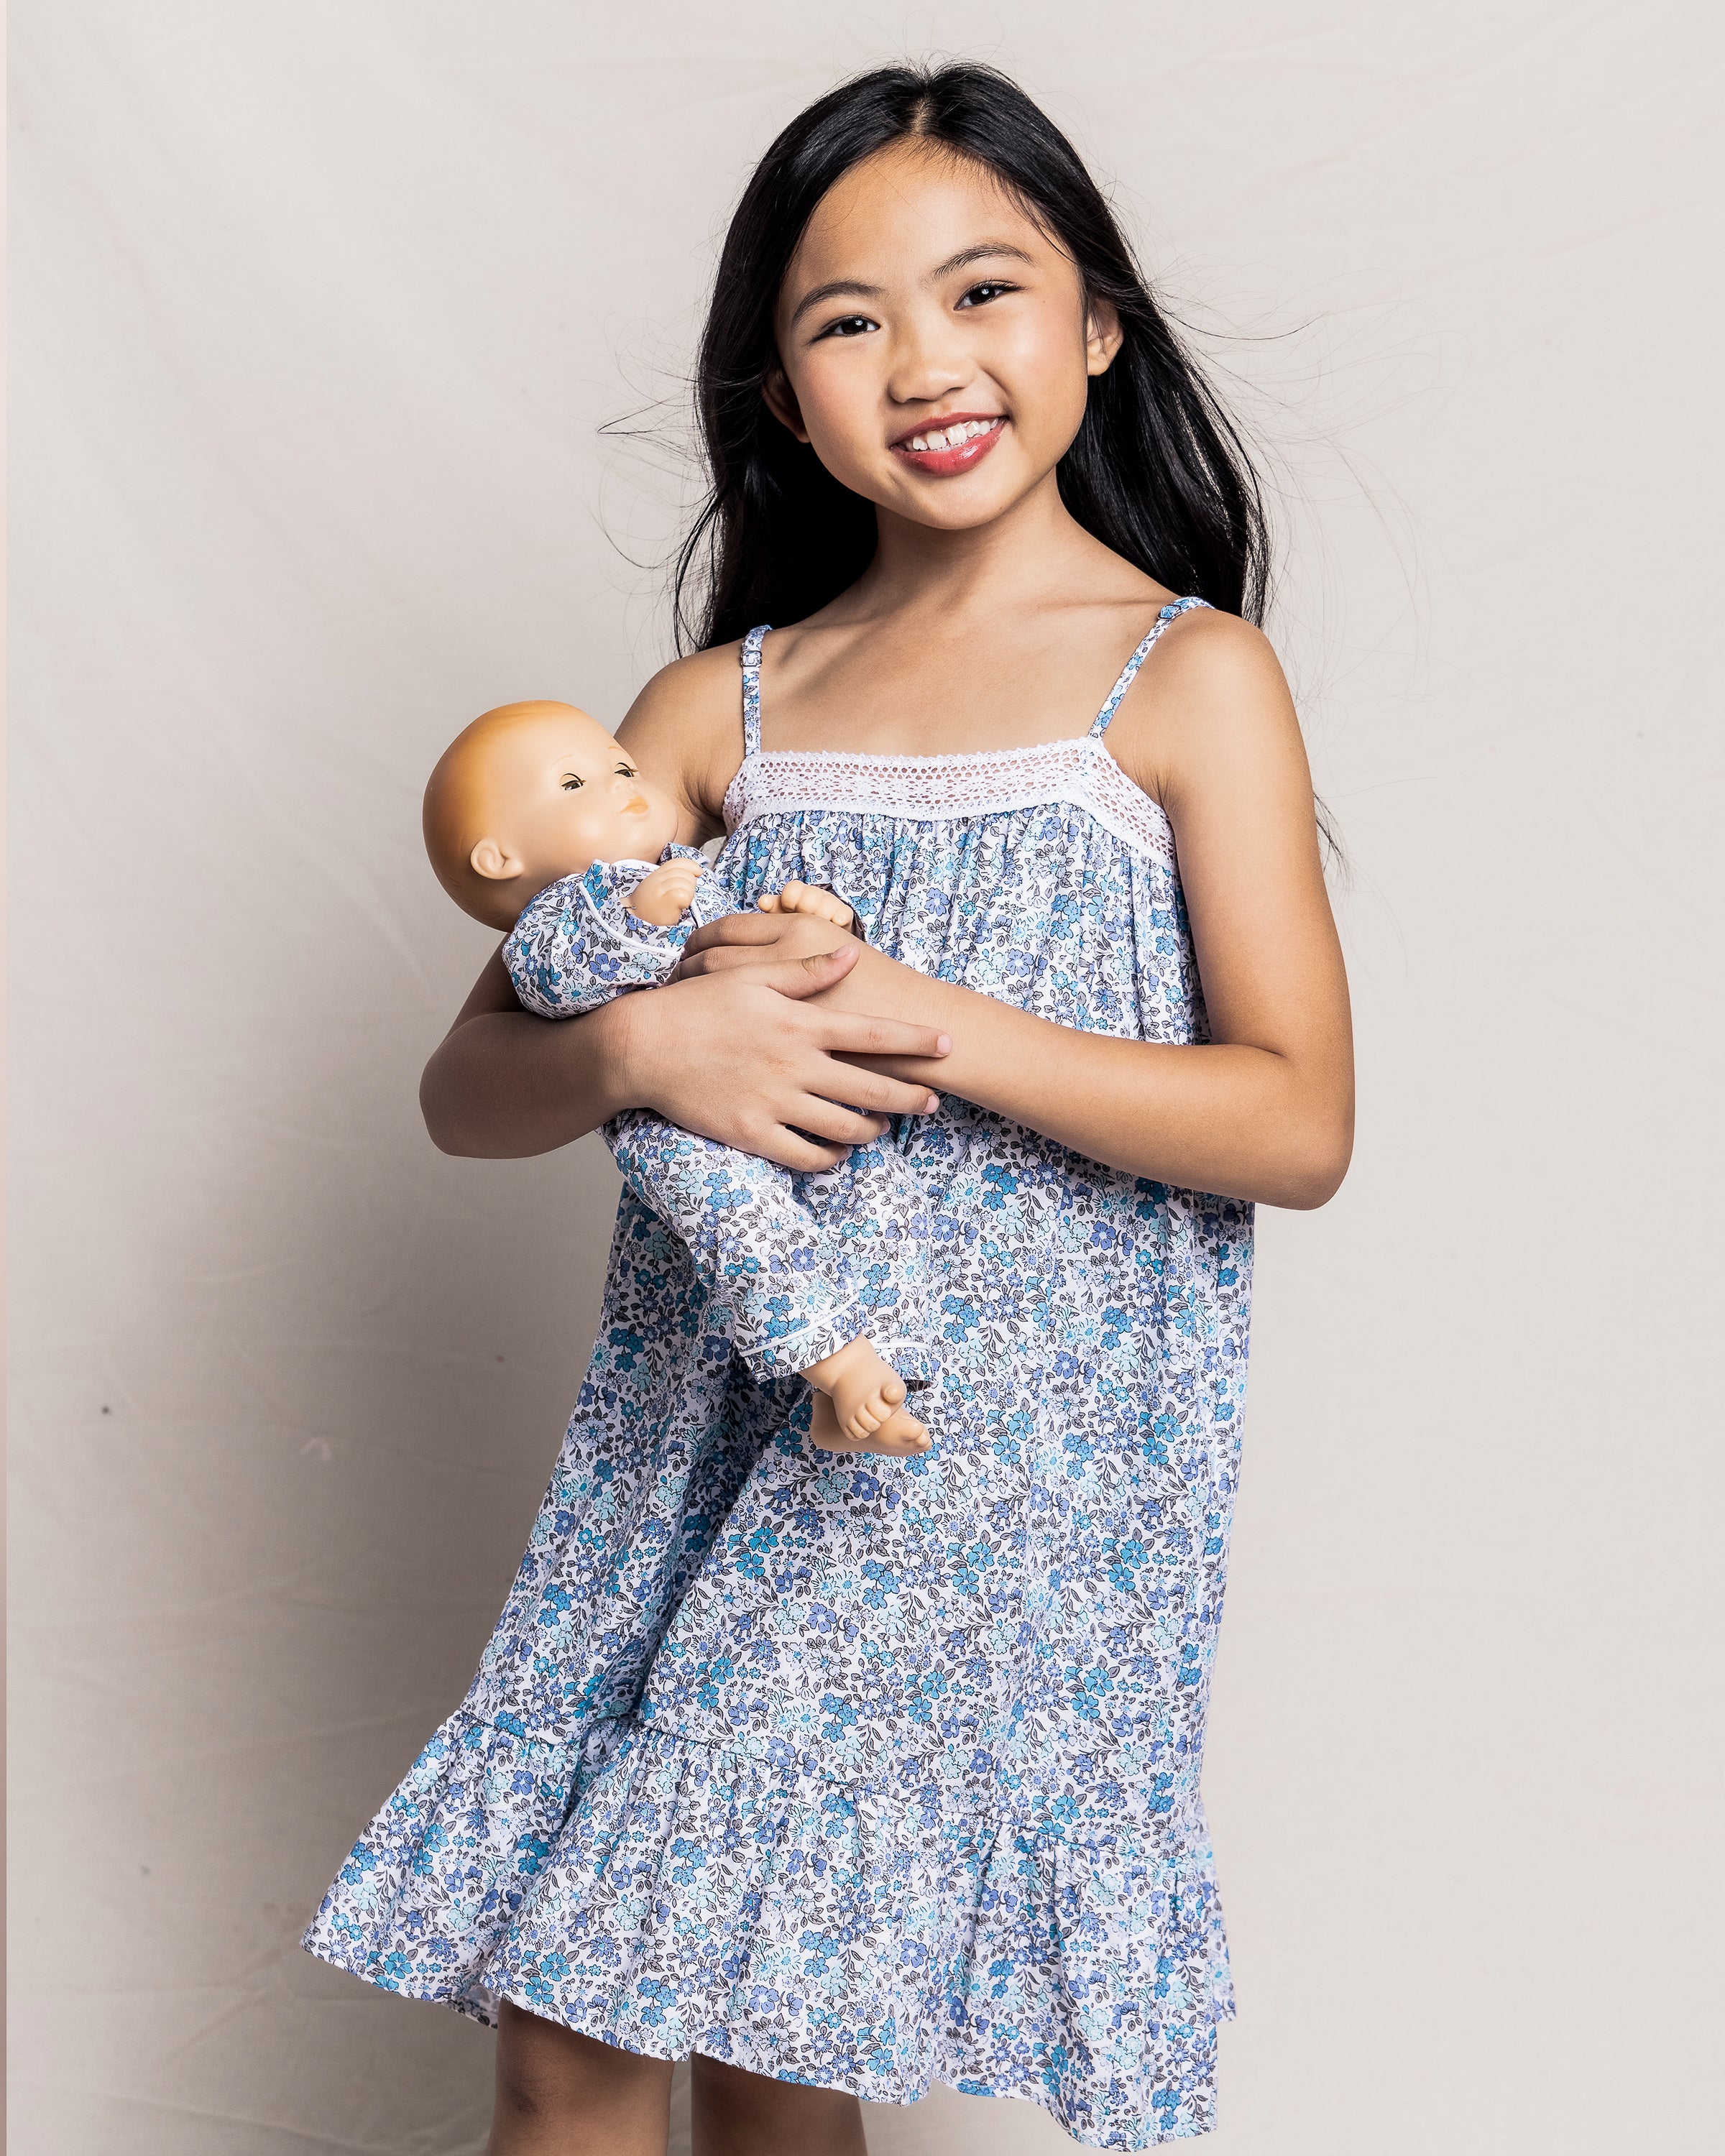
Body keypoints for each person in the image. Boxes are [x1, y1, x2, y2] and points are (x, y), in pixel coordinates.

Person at [304, 59, 1353, 2156]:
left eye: (982, 291)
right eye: (846, 319)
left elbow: (1292, 1119)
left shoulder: (1184, 678)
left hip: (955, 1461)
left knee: (593, 2013)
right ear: (782, 394)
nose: (925, 361)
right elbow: (464, 1086)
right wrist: (637, 1048)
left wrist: (923, 1017)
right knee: (755, 2038)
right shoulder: (715, 710)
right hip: (701, 1431)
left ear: (1096, 323)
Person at [423, 696, 942, 1454]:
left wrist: (815, 921)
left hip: (784, 1093)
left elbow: (745, 947)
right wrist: (634, 919)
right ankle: (842, 1369)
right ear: (501, 858)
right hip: (678, 1134)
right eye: (575, 785)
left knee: (869, 1201)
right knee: (745, 1229)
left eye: (622, 767)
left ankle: (853, 1383)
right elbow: (555, 984)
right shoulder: (556, 918)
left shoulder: (685, 869)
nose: (620, 781)